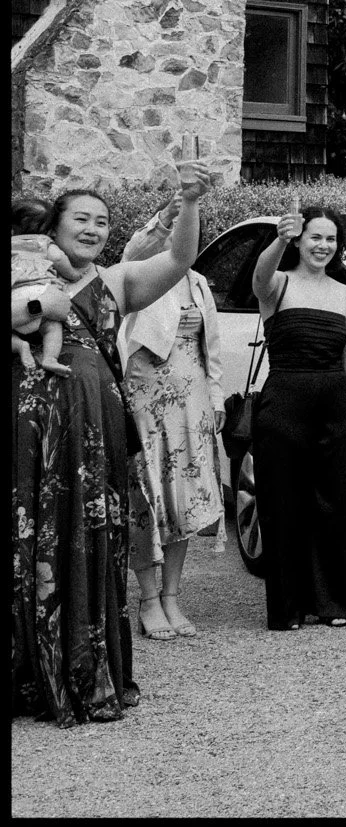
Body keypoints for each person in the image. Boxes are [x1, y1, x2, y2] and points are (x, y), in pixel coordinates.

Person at [14, 170, 207, 727]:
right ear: (53, 227)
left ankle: (80, 667)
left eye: (101, 222)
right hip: (27, 429)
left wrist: (189, 203)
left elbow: (179, 259)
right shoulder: (19, 270)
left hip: (94, 428)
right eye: (81, 219)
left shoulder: (116, 282)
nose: (93, 229)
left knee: (87, 537)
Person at [113, 199, 224, 643]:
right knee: (146, 496)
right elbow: (133, 251)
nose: (182, 235)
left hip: (191, 405)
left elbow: (211, 350)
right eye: (176, 227)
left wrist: (215, 399)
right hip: (144, 398)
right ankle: (147, 599)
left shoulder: (199, 284)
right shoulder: (139, 271)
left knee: (184, 500)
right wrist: (165, 216)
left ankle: (172, 595)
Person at [248, 205, 346, 631]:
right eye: (315, 237)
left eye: (331, 239)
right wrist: (279, 237)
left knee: (336, 503)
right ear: (299, 240)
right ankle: (287, 608)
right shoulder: (278, 284)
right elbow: (259, 277)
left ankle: (333, 603)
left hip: (336, 405)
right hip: (284, 403)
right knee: (283, 504)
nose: (323, 246)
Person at [11, 198, 74, 378]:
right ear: (50, 229)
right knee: (52, 327)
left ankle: (19, 345)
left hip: (15, 296)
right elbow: (58, 259)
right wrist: (74, 274)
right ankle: (50, 358)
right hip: (41, 290)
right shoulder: (43, 242)